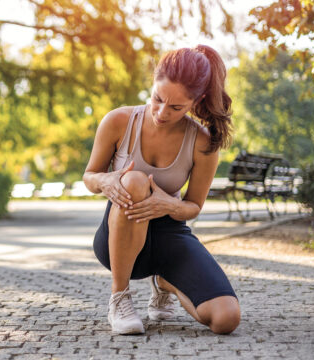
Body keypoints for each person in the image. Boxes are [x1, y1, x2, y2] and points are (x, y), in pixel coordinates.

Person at [82, 45, 240, 335]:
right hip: (118, 241)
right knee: (134, 181)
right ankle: (120, 298)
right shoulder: (118, 121)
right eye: (157, 99)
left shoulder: (202, 142)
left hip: (170, 238)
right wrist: (105, 181)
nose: (162, 112)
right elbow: (89, 175)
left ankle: (166, 281)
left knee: (226, 319)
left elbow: (193, 207)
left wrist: (167, 205)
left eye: (176, 107)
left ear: (197, 101)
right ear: (154, 81)